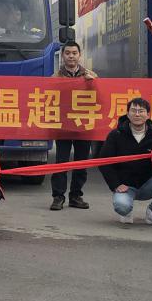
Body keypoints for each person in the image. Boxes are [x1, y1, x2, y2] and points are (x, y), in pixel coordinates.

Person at [98, 97, 152, 226]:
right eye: (133, 110)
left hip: (146, 185)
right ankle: (127, 211)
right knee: (122, 207)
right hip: (125, 186)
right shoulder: (116, 135)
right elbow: (104, 162)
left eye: (141, 111)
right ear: (128, 114)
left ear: (148, 115)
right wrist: (116, 184)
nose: (137, 114)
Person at [50, 41, 97, 211]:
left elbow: (101, 98)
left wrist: (92, 84)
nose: (71, 56)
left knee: (81, 163)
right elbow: (48, 98)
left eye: (74, 53)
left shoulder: (91, 75)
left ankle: (76, 196)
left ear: (79, 55)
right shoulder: (55, 77)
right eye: (68, 53)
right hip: (63, 126)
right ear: (63, 56)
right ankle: (58, 197)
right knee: (61, 163)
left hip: (84, 125)